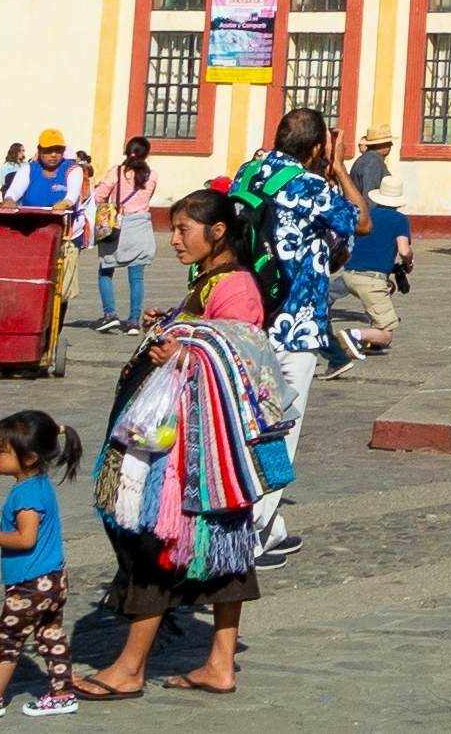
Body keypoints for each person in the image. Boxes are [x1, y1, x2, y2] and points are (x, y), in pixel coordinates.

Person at [78, 189, 274, 698]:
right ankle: (219, 664)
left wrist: (184, 353)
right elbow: (208, 335)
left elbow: (241, 355)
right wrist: (174, 324)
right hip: (202, 450)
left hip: (195, 452)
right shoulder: (209, 281)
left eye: (184, 229)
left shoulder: (236, 288)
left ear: (218, 232)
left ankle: (128, 668)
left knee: (159, 543)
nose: (175, 240)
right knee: (224, 551)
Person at [230, 109, 358, 566]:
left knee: (252, 422)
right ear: (318, 146)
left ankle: (273, 526)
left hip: (247, 315)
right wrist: (339, 168)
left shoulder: (252, 170)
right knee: (281, 430)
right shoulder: (312, 187)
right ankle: (253, 534)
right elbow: (358, 222)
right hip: (296, 324)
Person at [0, 409, 84, 721]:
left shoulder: (24, 494)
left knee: (6, 641)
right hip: (53, 578)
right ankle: (61, 693)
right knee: (50, 634)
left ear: (28, 457)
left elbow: (26, 539)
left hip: (30, 583)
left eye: (2, 451)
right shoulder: (39, 485)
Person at [335, 162, 405, 357]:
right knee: (386, 334)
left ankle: (367, 343)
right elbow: (404, 250)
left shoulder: (367, 215)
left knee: (380, 299)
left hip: (349, 274)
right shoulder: (399, 220)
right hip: (371, 279)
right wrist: (409, 261)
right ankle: (353, 335)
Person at [89, 140, 159, 333]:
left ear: (126, 152)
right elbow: (148, 196)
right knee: (136, 277)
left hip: (117, 226)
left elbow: (98, 196)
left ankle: (110, 314)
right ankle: (133, 321)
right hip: (141, 226)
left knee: (105, 270)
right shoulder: (151, 175)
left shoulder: (116, 172)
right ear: (147, 154)